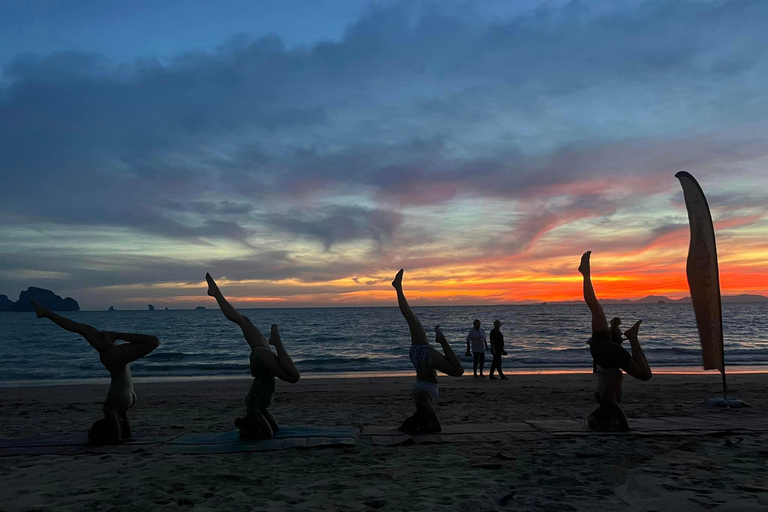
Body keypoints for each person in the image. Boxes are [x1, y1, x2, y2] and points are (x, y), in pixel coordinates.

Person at [31, 300, 160, 444]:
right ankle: (47, 313)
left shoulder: (110, 410)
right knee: (153, 341)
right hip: (116, 371)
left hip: (120, 385)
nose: (119, 423)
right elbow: (118, 439)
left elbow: (124, 436)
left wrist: (100, 437)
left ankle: (46, 313)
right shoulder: (111, 410)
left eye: (116, 424)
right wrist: (116, 335)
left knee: (83, 329)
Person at [206, 273, 300, 439]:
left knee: (243, 321)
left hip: (262, 360)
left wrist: (250, 431)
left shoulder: (252, 409)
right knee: (243, 321)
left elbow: (269, 433)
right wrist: (255, 429)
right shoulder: (257, 410)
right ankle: (276, 342)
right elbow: (273, 431)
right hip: (263, 361)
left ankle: (216, 294)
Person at [579, 251, 652, 430]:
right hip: (598, 348)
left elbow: (623, 423)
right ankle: (586, 274)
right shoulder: (601, 397)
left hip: (610, 355)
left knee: (645, 375)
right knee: (595, 307)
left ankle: (633, 338)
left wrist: (621, 425)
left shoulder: (607, 401)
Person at [392, 269, 464, 433]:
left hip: (424, 358)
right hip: (418, 356)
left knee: (459, 371)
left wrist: (420, 427)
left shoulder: (423, 401)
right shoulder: (421, 401)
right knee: (411, 318)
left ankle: (441, 340)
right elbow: (435, 427)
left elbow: (436, 427)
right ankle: (398, 288)